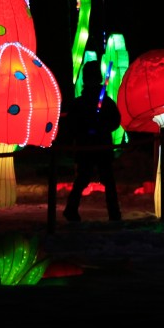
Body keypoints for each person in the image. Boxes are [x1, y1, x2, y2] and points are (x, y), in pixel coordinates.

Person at [61, 59, 123, 223]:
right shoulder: (79, 103)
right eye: (90, 78)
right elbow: (71, 124)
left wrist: (102, 126)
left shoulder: (105, 102)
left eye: (94, 78)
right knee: (83, 179)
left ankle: (114, 214)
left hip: (101, 146)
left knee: (108, 180)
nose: (92, 81)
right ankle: (71, 209)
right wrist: (85, 128)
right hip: (87, 146)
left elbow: (115, 120)